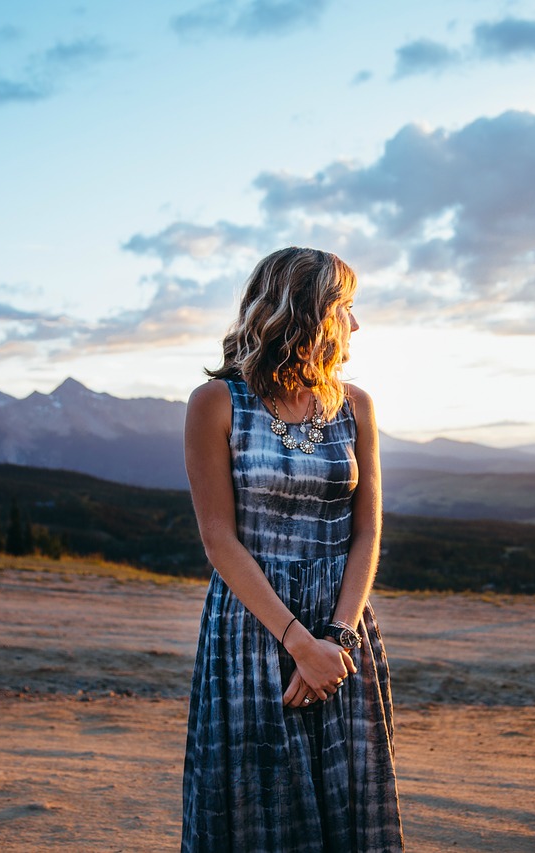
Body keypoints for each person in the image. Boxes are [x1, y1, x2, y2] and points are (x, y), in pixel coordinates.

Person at [181, 247, 403, 852]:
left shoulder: (356, 405)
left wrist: (334, 639)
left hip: (341, 630)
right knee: (259, 804)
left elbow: (367, 533)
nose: (355, 325)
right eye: (345, 308)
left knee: (346, 802)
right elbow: (219, 539)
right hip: (253, 627)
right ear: (305, 314)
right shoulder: (217, 403)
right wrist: (296, 641)